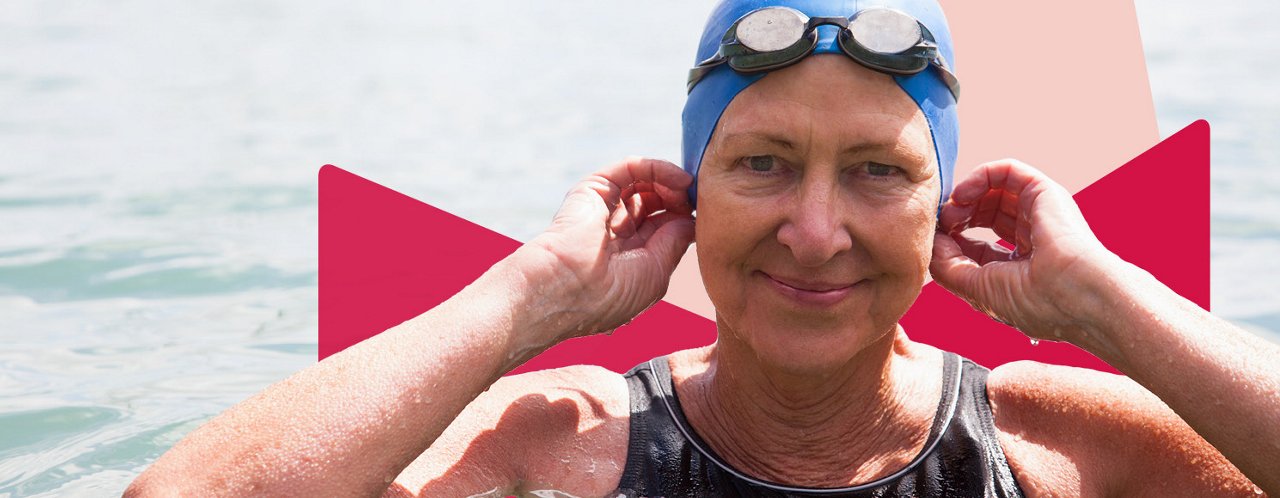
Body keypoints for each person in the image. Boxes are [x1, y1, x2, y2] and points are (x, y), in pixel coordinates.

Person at [127, 0, 1278, 496]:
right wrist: (527, 298)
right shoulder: (555, 448)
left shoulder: (1060, 450)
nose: (815, 230)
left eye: (878, 171)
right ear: (688, 198)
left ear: (941, 213)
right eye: (762, 163)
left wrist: (1105, 304)